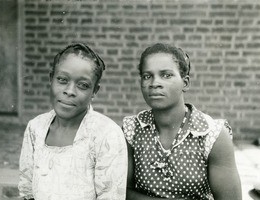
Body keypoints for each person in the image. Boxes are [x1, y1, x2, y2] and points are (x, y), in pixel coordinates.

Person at [122, 43, 242, 200]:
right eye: (147, 76)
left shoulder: (213, 134)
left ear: (185, 83)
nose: (154, 83)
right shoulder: (132, 130)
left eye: (166, 75)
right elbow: (120, 191)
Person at [18, 43, 128, 200]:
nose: (69, 91)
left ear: (94, 91)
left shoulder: (106, 134)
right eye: (62, 80)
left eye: (83, 85)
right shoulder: (36, 128)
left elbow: (111, 196)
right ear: (51, 79)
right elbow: (27, 191)